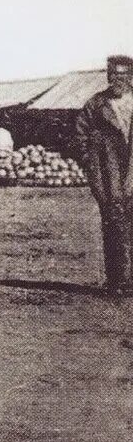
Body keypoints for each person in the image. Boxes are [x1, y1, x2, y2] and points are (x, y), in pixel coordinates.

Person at [75, 55, 133, 296]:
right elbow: (80, 138)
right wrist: (93, 166)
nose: (118, 80)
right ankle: (117, 280)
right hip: (109, 178)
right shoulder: (95, 105)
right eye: (113, 75)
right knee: (113, 227)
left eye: (123, 75)